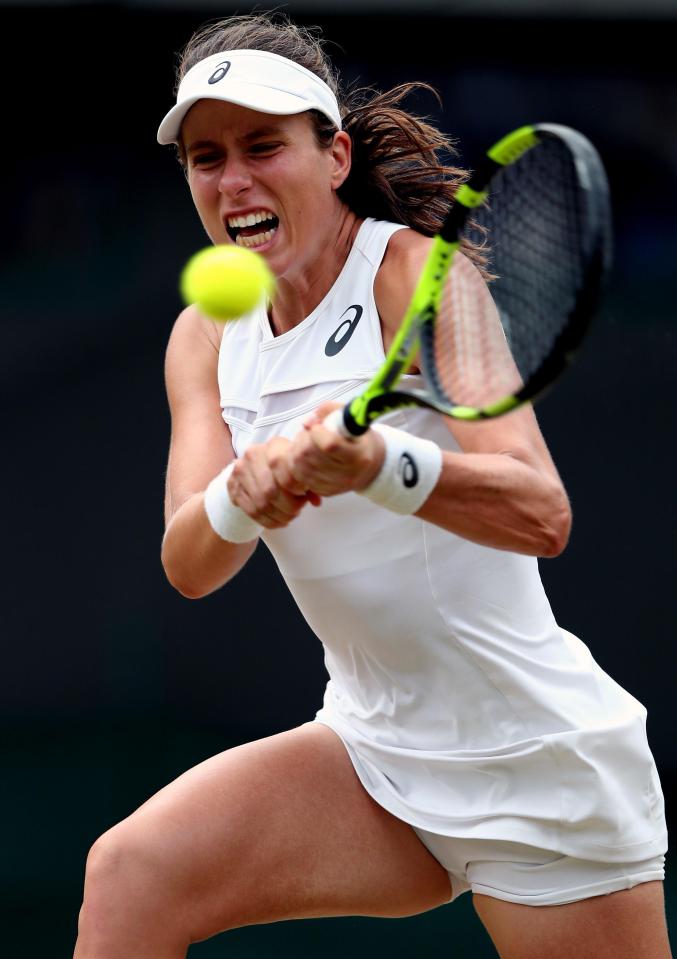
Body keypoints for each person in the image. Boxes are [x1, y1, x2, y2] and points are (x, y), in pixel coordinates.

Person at [73, 12, 671, 959]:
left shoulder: (415, 277)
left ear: (335, 155)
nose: (233, 181)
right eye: (205, 156)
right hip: (368, 749)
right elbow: (190, 559)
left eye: (263, 145)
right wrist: (243, 493)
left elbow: (539, 510)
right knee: (129, 875)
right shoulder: (203, 335)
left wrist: (383, 468)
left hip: (533, 762)